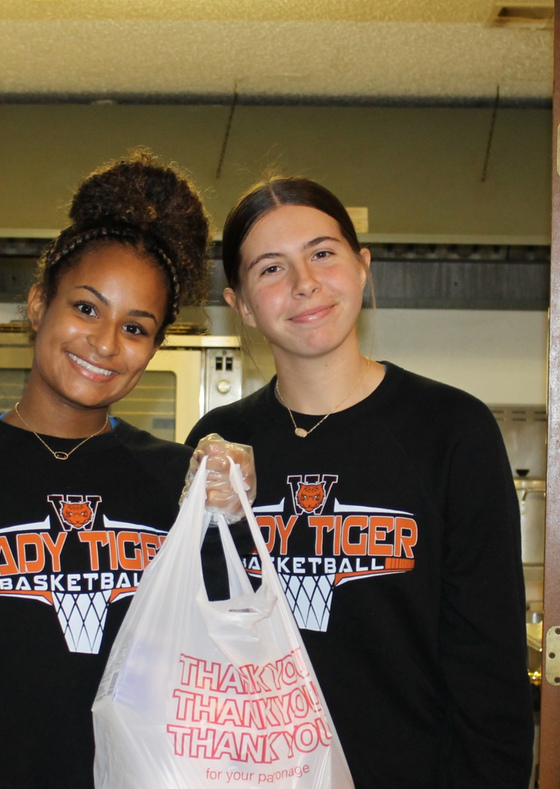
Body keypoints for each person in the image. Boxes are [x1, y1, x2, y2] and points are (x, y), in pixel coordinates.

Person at [0, 150, 252, 788]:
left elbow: (230, 677)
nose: (106, 343)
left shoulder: (181, 486)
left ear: (154, 348)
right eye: (86, 308)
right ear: (38, 305)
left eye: (136, 327)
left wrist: (232, 525)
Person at [187, 176, 535, 787]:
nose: (305, 284)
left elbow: (489, 667)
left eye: (323, 253)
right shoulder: (219, 444)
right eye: (271, 269)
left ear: (363, 266)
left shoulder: (451, 430)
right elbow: (200, 643)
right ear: (239, 302)